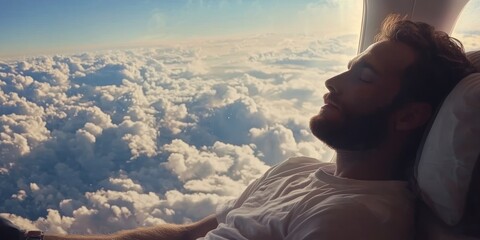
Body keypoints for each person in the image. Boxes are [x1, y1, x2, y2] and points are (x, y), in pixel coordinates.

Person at [1, 15, 475, 240]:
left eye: (363, 76)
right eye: (348, 67)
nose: (332, 82)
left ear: (409, 116)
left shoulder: (354, 221)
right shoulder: (297, 169)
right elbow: (188, 234)